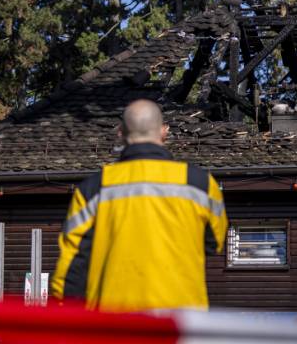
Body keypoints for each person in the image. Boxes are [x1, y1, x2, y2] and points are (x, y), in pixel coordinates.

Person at [51, 99, 228, 311]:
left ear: (120, 132)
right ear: (164, 132)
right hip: (180, 324)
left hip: (115, 326)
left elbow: (71, 266)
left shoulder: (94, 189)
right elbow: (214, 243)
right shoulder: (200, 184)